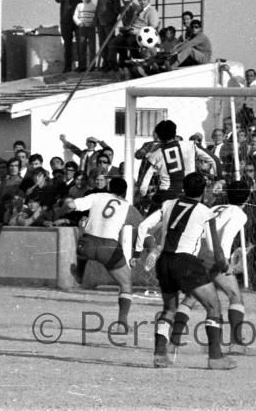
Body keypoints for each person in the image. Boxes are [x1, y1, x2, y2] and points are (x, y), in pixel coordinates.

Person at [135, 173, 236, 369]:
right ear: (204, 190)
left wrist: (146, 246)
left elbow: (145, 225)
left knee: (169, 309)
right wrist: (226, 267)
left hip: (164, 260)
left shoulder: (168, 204)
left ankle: (160, 354)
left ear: (184, 188)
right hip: (186, 262)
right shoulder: (205, 212)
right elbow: (216, 252)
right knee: (213, 307)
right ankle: (215, 357)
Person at [67, 178, 143, 333]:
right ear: (125, 192)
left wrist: (66, 200)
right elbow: (142, 228)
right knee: (126, 284)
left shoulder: (98, 196)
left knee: (83, 247)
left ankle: (80, 273)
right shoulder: (128, 208)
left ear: (109, 188)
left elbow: (71, 205)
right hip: (109, 248)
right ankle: (122, 324)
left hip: (86, 244)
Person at [137, 120, 216, 201]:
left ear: (159, 135)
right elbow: (214, 160)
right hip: (189, 192)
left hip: (167, 194)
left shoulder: (155, 155)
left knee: (155, 212)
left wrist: (144, 195)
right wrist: (219, 179)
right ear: (175, 133)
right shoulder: (190, 146)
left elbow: (144, 181)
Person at [54, 0, 91, 72]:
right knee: (67, 44)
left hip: (77, 19)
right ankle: (67, 67)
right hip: (66, 20)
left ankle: (82, 66)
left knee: (81, 42)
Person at [95, 0, 123, 67]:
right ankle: (105, 63)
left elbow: (117, 7)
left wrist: (113, 19)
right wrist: (96, 20)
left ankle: (111, 64)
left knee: (110, 43)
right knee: (102, 43)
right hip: (100, 21)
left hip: (109, 21)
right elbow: (98, 6)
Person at [72, 0, 97, 71]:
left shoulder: (94, 6)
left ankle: (92, 66)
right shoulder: (79, 5)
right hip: (82, 28)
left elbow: (96, 17)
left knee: (92, 48)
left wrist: (93, 23)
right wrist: (79, 23)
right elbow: (75, 16)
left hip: (91, 28)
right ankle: (82, 66)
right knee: (82, 47)